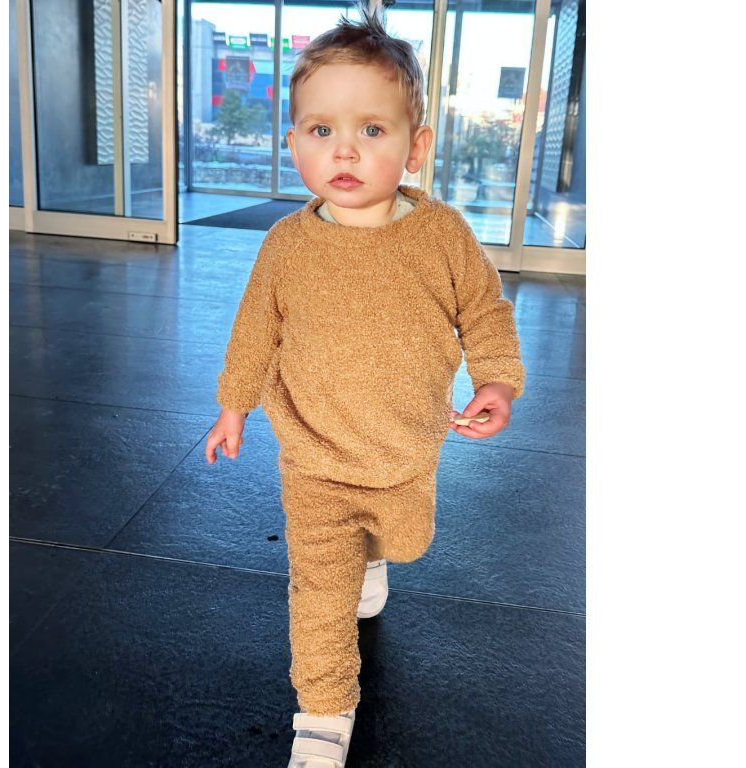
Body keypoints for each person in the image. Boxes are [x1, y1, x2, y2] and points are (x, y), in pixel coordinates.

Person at [204, 1, 525, 764]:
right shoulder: (287, 245)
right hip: (313, 454)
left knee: (405, 541)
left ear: (416, 147)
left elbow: (485, 309)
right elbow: (255, 329)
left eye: (372, 130)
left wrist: (497, 381)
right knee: (321, 593)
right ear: (294, 144)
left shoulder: (441, 235)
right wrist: (234, 403)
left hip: (404, 448)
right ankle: (322, 716)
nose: (344, 150)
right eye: (321, 131)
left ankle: (373, 552)